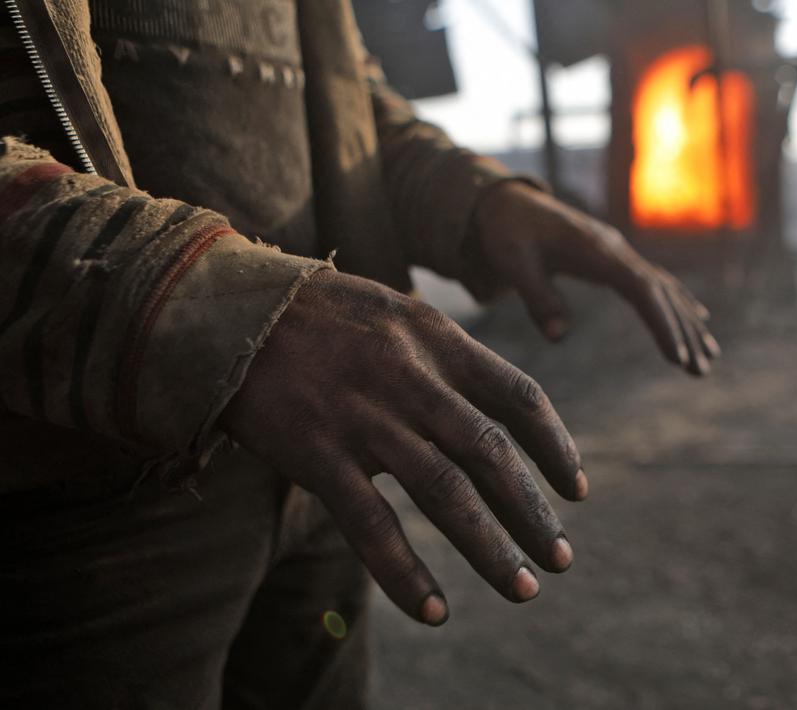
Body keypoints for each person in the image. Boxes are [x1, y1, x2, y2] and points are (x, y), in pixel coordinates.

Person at [0, 1, 718, 707]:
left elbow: (336, 90)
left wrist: (477, 198)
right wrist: (227, 310)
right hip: (76, 505)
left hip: (315, 456)